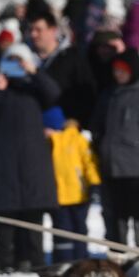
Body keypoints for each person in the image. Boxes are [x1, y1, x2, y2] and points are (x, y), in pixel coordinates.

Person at [0, 43, 60, 272]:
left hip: (32, 162)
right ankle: (5, 263)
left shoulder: (34, 88)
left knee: (34, 216)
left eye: (19, 61)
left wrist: (34, 72)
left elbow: (54, 95)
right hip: (3, 162)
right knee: (5, 218)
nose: (15, 66)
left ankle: (36, 262)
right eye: (10, 61)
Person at [91, 54, 139, 247]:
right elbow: (97, 125)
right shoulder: (108, 95)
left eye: (123, 70)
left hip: (136, 168)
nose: (119, 74)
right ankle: (118, 252)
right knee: (114, 214)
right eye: (116, 70)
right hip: (110, 167)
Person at [43, 106, 100, 262]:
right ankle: (62, 261)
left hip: (79, 194)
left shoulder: (77, 139)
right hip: (58, 196)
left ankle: (81, 260)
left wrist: (94, 183)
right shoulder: (47, 143)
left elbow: (89, 162)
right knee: (61, 231)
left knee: (79, 229)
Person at [28, 8, 97, 125]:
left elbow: (87, 92)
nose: (33, 34)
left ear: (53, 30)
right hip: (31, 127)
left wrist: (76, 120)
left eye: (38, 30)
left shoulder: (73, 57)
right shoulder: (24, 57)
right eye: (31, 30)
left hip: (63, 128)